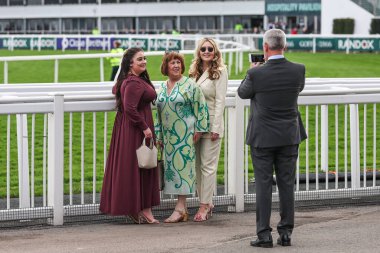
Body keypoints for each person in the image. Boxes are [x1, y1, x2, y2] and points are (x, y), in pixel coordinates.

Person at [237, 29, 307, 248]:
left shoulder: (256, 74)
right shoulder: (298, 70)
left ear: (265, 47)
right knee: (287, 185)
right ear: (284, 46)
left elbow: (242, 92)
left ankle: (264, 235)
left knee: (263, 186)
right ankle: (286, 233)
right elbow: (298, 90)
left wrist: (251, 71)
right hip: (288, 135)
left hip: (262, 138)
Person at [100, 48, 160, 224]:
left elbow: (116, 90)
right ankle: (143, 210)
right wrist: (145, 128)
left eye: (145, 58)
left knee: (137, 168)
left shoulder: (130, 80)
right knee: (141, 168)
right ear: (130, 63)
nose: (144, 61)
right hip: (137, 130)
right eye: (139, 59)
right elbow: (130, 108)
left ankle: (138, 209)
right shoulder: (133, 82)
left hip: (130, 129)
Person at [155, 51, 209, 223]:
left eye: (179, 62)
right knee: (172, 169)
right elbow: (158, 112)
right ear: (166, 66)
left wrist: (199, 129)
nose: (176, 65)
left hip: (186, 134)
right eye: (172, 63)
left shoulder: (190, 85)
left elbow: (201, 107)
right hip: (169, 137)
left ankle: (179, 208)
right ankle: (182, 209)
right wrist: (159, 134)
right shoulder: (162, 87)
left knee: (183, 169)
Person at [189, 38, 228, 222]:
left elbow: (220, 101)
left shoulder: (220, 71)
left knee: (208, 166)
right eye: (203, 48)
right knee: (197, 166)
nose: (206, 51)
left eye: (210, 49)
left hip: (211, 124)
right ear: (198, 51)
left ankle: (204, 205)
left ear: (215, 52)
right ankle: (206, 201)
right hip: (195, 125)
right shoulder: (193, 71)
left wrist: (216, 127)